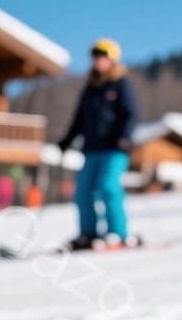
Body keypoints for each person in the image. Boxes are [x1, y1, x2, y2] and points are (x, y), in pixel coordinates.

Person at [56, 37, 138, 249]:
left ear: (112, 59)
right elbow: (80, 119)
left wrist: (124, 137)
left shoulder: (121, 84)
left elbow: (131, 114)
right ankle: (88, 233)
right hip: (92, 148)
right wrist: (67, 140)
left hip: (115, 148)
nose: (98, 60)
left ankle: (117, 233)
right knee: (83, 191)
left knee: (108, 186)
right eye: (95, 56)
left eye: (103, 56)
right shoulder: (90, 88)